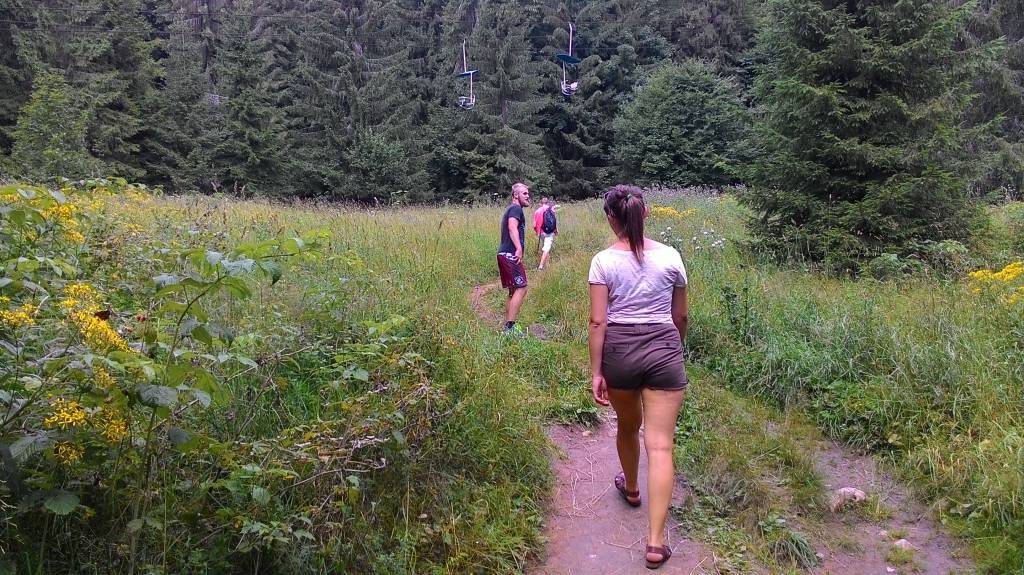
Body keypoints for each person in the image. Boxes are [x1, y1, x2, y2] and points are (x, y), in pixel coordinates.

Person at [588, 185, 689, 570]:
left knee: (628, 426)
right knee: (660, 446)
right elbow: (680, 316)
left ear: (610, 218)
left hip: (621, 354)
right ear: (645, 214)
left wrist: (597, 371)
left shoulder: (602, 262)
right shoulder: (671, 256)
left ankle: (631, 488)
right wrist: (672, 349)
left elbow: (598, 321)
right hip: (663, 349)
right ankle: (655, 543)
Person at [497, 182, 531, 334]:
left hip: (503, 254)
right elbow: (512, 227)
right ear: (516, 195)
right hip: (510, 254)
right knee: (522, 288)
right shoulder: (516, 209)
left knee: (513, 291)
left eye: (528, 193)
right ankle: (510, 328)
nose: (528, 196)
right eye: (524, 193)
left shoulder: (511, 209)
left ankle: (508, 326)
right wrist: (518, 248)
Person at [533, 198, 558, 270]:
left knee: (546, 248)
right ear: (548, 203)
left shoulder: (537, 211)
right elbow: (553, 222)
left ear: (541, 203)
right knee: (546, 249)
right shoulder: (551, 210)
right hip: (549, 232)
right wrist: (555, 231)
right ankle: (540, 267)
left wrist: (537, 232)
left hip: (541, 233)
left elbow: (534, 225)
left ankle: (548, 266)